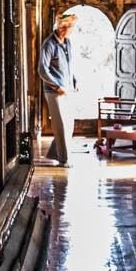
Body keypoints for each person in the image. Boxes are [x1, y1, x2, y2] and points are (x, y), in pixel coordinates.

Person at [38, 13, 78, 166]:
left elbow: (69, 65)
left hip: (67, 88)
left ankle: (55, 153)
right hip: (54, 91)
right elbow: (42, 70)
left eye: (70, 27)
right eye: (65, 27)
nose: (68, 30)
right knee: (60, 125)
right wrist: (56, 85)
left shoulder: (67, 43)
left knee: (69, 124)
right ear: (60, 27)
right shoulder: (49, 44)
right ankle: (64, 159)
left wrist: (74, 80)